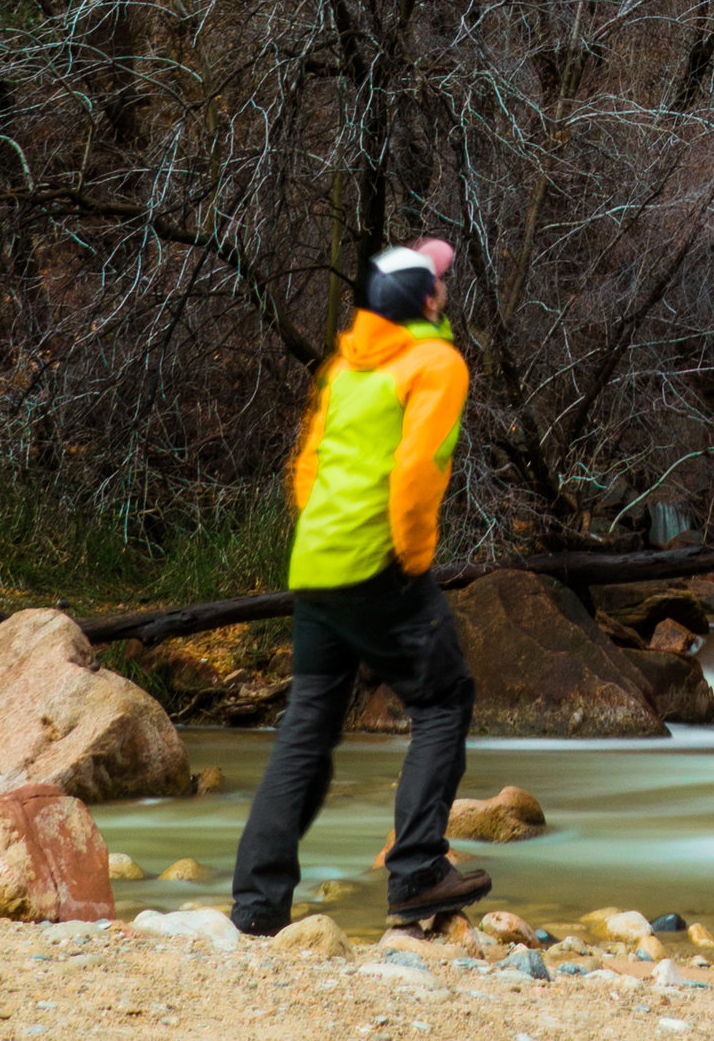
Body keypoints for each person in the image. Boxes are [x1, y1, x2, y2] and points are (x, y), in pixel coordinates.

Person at [232, 238, 494, 939]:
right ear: (429, 301)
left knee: (307, 729)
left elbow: (307, 466)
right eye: (438, 284)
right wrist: (412, 558)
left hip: (316, 561)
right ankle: (416, 873)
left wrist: (325, 538)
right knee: (444, 699)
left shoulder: (346, 363)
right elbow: (416, 469)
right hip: (379, 560)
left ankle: (257, 905)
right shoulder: (436, 362)